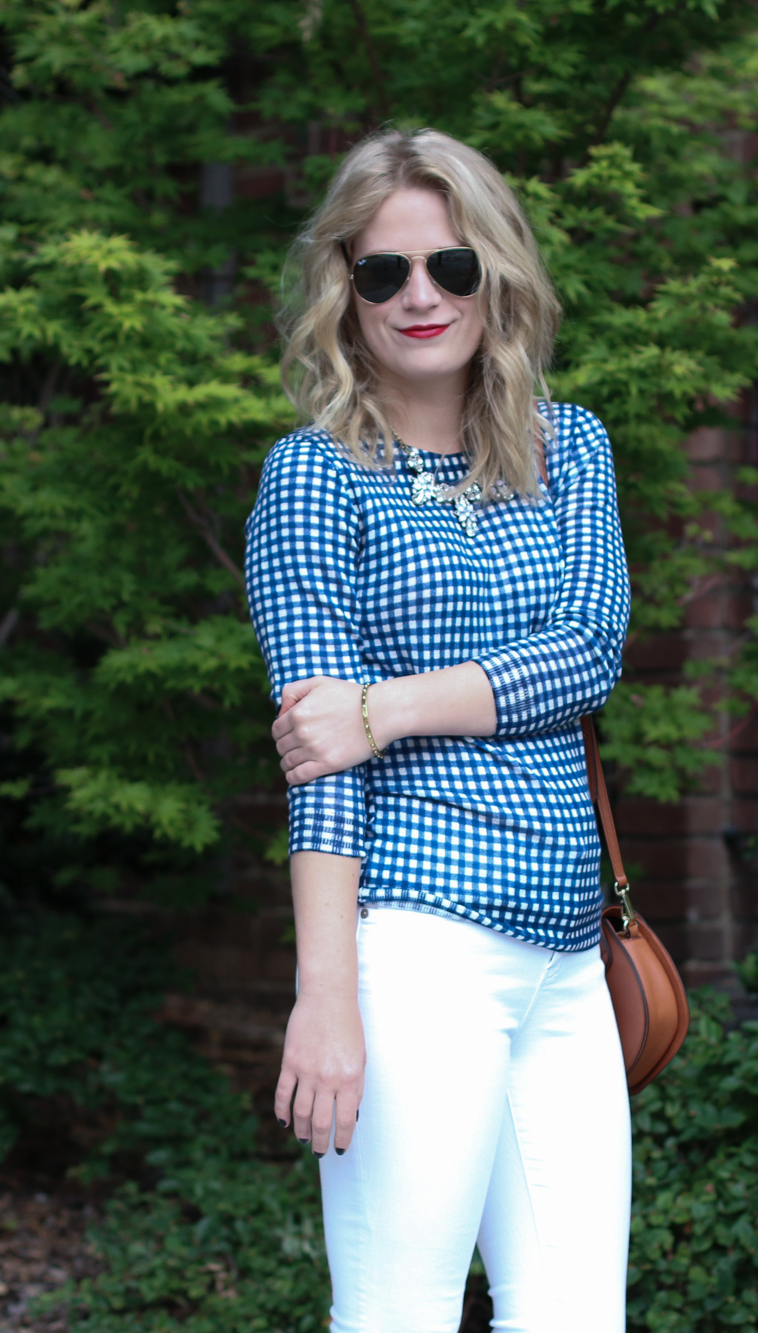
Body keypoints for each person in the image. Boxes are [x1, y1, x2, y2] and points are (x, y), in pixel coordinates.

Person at [243, 126, 633, 1332]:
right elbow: (320, 764)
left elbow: (587, 654)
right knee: (397, 1316)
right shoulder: (314, 480)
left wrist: (386, 707)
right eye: (383, 273)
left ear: (496, 276)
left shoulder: (567, 451)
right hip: (414, 950)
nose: (420, 297)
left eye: (449, 268)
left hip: (566, 959)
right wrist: (326, 998)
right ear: (344, 294)